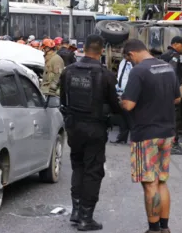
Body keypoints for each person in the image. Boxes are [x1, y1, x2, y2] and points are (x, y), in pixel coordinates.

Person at [59, 34, 122, 231]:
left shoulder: (68, 71)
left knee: (77, 166)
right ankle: (86, 217)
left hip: (74, 127)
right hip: (95, 128)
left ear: (83, 49)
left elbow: (63, 100)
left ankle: (77, 212)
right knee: (93, 171)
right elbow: (114, 105)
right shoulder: (105, 75)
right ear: (101, 51)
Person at [121, 39, 181, 233]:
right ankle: (164, 227)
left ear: (131, 54)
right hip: (167, 133)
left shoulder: (138, 71)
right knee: (162, 181)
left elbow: (129, 105)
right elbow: (177, 98)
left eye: (129, 60)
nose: (130, 63)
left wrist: (120, 102)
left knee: (150, 184)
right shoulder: (167, 67)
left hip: (146, 134)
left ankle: (153, 229)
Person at [160, 36, 182, 155]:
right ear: (176, 44)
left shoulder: (164, 55)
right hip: (171, 92)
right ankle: (173, 145)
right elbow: (172, 73)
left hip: (162, 91)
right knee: (175, 119)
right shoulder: (175, 56)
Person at [110, 57, 133, 144]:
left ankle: (134, 138)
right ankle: (122, 138)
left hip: (128, 92)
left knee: (129, 116)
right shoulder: (123, 62)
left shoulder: (134, 63)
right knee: (123, 116)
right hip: (120, 91)